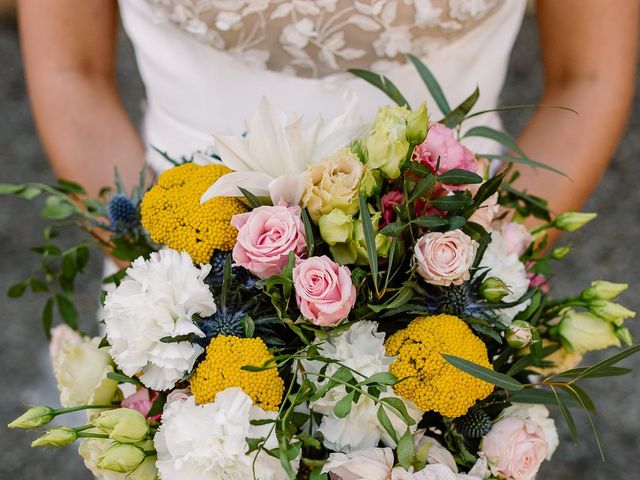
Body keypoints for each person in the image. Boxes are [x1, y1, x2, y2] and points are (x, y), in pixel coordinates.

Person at [18, 0, 638, 226]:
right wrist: (148, 255)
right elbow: (71, 70)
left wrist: (498, 251)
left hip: (462, 258)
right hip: (175, 240)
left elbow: (590, 74)